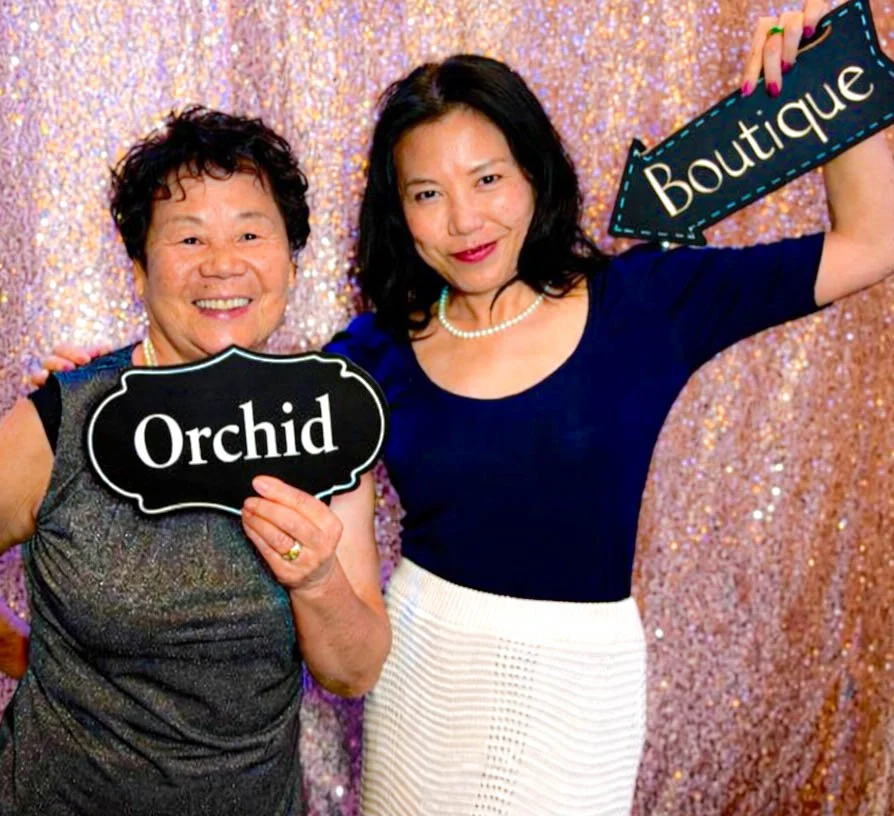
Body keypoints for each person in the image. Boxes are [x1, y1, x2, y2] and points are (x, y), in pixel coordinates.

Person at [17, 3, 894, 813]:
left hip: (582, 678)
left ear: (536, 176)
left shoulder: (647, 301)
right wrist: (122, 379)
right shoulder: (368, 357)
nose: (464, 219)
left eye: (488, 179)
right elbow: (230, 394)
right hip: (426, 669)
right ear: (398, 212)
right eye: (427, 194)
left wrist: (835, 69)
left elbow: (872, 242)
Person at [0, 107, 390, 815]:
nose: (222, 263)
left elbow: (354, 670)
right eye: (188, 237)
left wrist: (316, 578)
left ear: (291, 261)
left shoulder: (325, 429)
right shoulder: (72, 415)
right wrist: (17, 648)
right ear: (140, 270)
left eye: (249, 232)